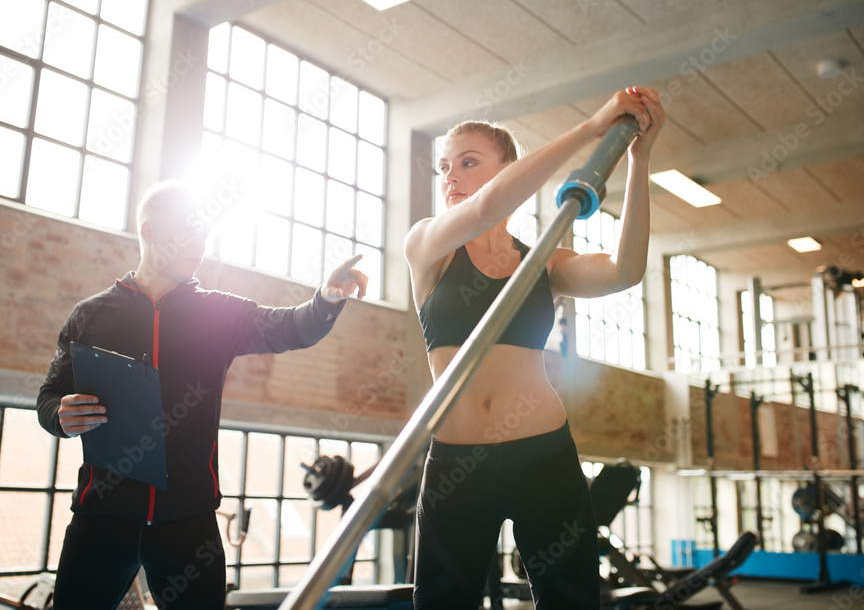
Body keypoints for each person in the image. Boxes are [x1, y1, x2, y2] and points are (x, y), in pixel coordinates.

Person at [36, 180, 367, 609]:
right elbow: (49, 396)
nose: (199, 244)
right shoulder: (90, 314)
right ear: (150, 231)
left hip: (188, 522)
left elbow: (291, 327)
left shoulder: (219, 313)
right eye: (186, 232)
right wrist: (59, 415)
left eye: (204, 234)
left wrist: (327, 299)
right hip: (102, 517)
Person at [404, 87, 665, 609]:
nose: (450, 176)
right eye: (444, 167)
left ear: (508, 169)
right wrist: (592, 129)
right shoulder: (428, 245)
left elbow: (624, 271)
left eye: (468, 162)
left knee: (570, 602)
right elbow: (484, 207)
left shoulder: (542, 261)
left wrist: (639, 159)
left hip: (543, 455)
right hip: (458, 464)